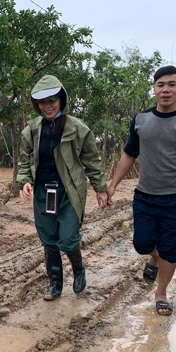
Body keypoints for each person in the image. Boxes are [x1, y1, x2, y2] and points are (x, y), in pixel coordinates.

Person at [106, 65, 176, 316]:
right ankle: (153, 258)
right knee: (143, 244)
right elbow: (129, 155)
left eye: (171, 84)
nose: (166, 89)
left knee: (169, 247)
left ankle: (161, 293)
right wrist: (113, 185)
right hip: (145, 196)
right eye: (160, 85)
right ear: (154, 89)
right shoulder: (141, 120)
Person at [17, 75, 108, 301]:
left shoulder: (78, 129)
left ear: (61, 99)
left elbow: (92, 161)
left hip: (69, 191)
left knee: (67, 238)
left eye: (52, 100)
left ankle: (78, 270)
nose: (47, 106)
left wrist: (100, 188)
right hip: (42, 192)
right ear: (36, 104)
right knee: (48, 239)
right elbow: (24, 159)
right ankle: (55, 284)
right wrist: (25, 180)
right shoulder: (32, 130)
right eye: (42, 102)